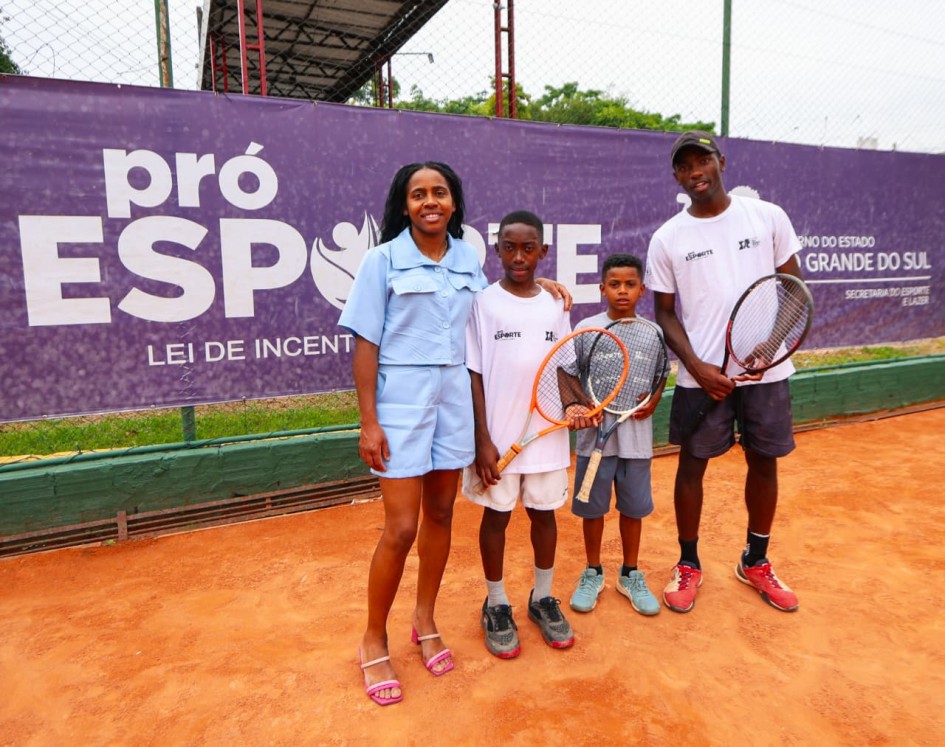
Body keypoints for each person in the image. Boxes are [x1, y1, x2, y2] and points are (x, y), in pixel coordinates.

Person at [339, 165, 571, 705]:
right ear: (404, 205)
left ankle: (425, 619)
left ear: (453, 202)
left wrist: (547, 289)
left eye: (439, 193)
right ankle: (374, 638)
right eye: (418, 194)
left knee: (441, 516)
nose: (429, 202)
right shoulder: (383, 261)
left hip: (455, 408)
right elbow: (365, 346)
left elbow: (502, 298)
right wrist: (368, 421)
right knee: (399, 528)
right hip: (401, 408)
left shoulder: (468, 255)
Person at [646, 130, 803, 614]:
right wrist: (696, 366)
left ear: (722, 162)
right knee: (692, 465)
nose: (696, 172)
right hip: (702, 379)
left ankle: (755, 560)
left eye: (703, 161)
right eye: (685, 166)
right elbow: (665, 313)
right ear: (676, 176)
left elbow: (794, 289)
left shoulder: (767, 216)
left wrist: (771, 347)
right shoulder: (668, 237)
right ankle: (688, 563)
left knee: (764, 461)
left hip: (767, 374)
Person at [463, 210, 595, 659]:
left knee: (544, 515)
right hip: (498, 440)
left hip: (547, 437)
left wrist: (575, 402)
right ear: (497, 250)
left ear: (543, 252)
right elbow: (474, 375)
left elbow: (564, 364)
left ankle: (542, 598)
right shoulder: (482, 303)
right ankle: (496, 603)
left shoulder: (556, 304)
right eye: (509, 247)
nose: (519, 257)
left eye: (528, 248)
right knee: (496, 518)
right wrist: (482, 440)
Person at [569, 253, 663, 617]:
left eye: (629, 285)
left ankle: (630, 573)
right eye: (614, 284)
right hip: (595, 440)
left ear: (642, 289)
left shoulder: (653, 332)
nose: (622, 291)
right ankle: (593, 571)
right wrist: (579, 406)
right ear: (602, 289)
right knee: (593, 509)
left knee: (633, 509)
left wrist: (654, 401)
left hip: (636, 440)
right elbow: (572, 376)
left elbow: (659, 376)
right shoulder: (588, 329)